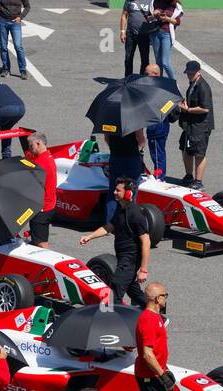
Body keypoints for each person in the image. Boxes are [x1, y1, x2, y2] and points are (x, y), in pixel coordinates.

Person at [79, 178, 150, 306]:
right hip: (122, 257)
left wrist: (143, 269)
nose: (114, 192)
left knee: (115, 290)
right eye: (115, 190)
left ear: (128, 193)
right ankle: (155, 311)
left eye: (118, 190)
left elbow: (146, 241)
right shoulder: (120, 207)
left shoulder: (136, 214)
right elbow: (109, 227)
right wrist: (90, 236)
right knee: (131, 289)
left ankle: (112, 321)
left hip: (130, 259)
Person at [176, 60, 212, 189]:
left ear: (199, 72)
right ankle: (188, 176)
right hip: (190, 124)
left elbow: (205, 108)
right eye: (188, 73)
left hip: (201, 126)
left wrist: (188, 109)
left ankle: (198, 181)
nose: (189, 75)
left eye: (192, 73)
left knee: (199, 152)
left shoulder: (203, 87)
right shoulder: (193, 83)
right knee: (186, 148)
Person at [102, 129, 144, 222]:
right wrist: (141, 146)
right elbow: (140, 139)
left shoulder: (108, 117)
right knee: (131, 190)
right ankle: (129, 222)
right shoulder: (135, 117)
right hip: (131, 158)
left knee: (113, 190)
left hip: (115, 157)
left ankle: (109, 223)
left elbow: (106, 138)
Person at [142, 63, 175, 179]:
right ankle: (160, 176)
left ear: (155, 74)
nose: (145, 75)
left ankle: (160, 178)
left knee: (157, 154)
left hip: (157, 126)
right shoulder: (162, 86)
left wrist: (160, 112)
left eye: (147, 73)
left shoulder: (158, 88)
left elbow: (169, 104)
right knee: (157, 153)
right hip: (159, 125)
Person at [26, 131, 56, 248]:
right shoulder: (48, 156)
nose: (30, 149)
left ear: (38, 143)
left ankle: (47, 264)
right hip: (49, 204)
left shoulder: (39, 164)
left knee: (41, 244)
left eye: (31, 146)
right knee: (37, 239)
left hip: (41, 209)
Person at [0, 0, 30, 81]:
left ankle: (23, 70)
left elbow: (27, 6)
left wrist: (21, 17)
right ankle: (6, 68)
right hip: (2, 21)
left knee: (18, 46)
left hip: (15, 22)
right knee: (3, 46)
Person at [151, 1, 183, 86]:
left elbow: (178, 22)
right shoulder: (155, 2)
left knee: (165, 62)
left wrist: (166, 19)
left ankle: (174, 84)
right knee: (158, 62)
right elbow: (149, 18)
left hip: (167, 34)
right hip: (155, 33)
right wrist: (154, 14)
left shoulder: (176, 6)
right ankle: (159, 84)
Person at [121, 2, 155, 78]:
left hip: (144, 34)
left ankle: (142, 79)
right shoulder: (129, 1)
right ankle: (128, 78)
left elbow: (153, 17)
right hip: (130, 34)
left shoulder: (150, 1)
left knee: (145, 59)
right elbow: (124, 15)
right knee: (128, 58)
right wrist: (122, 31)